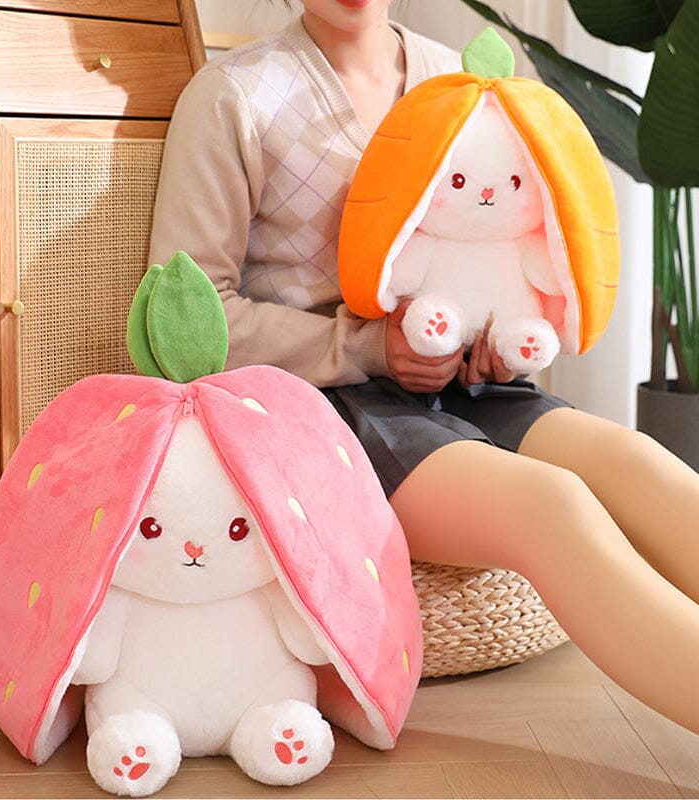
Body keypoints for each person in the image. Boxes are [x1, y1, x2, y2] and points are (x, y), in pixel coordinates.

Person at [149, 0, 699, 735]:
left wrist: (489, 337)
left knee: (639, 464)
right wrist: (368, 347)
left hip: (472, 386)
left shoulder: (458, 82)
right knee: (553, 507)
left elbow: (505, 242)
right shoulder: (234, 97)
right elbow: (187, 318)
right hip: (333, 403)